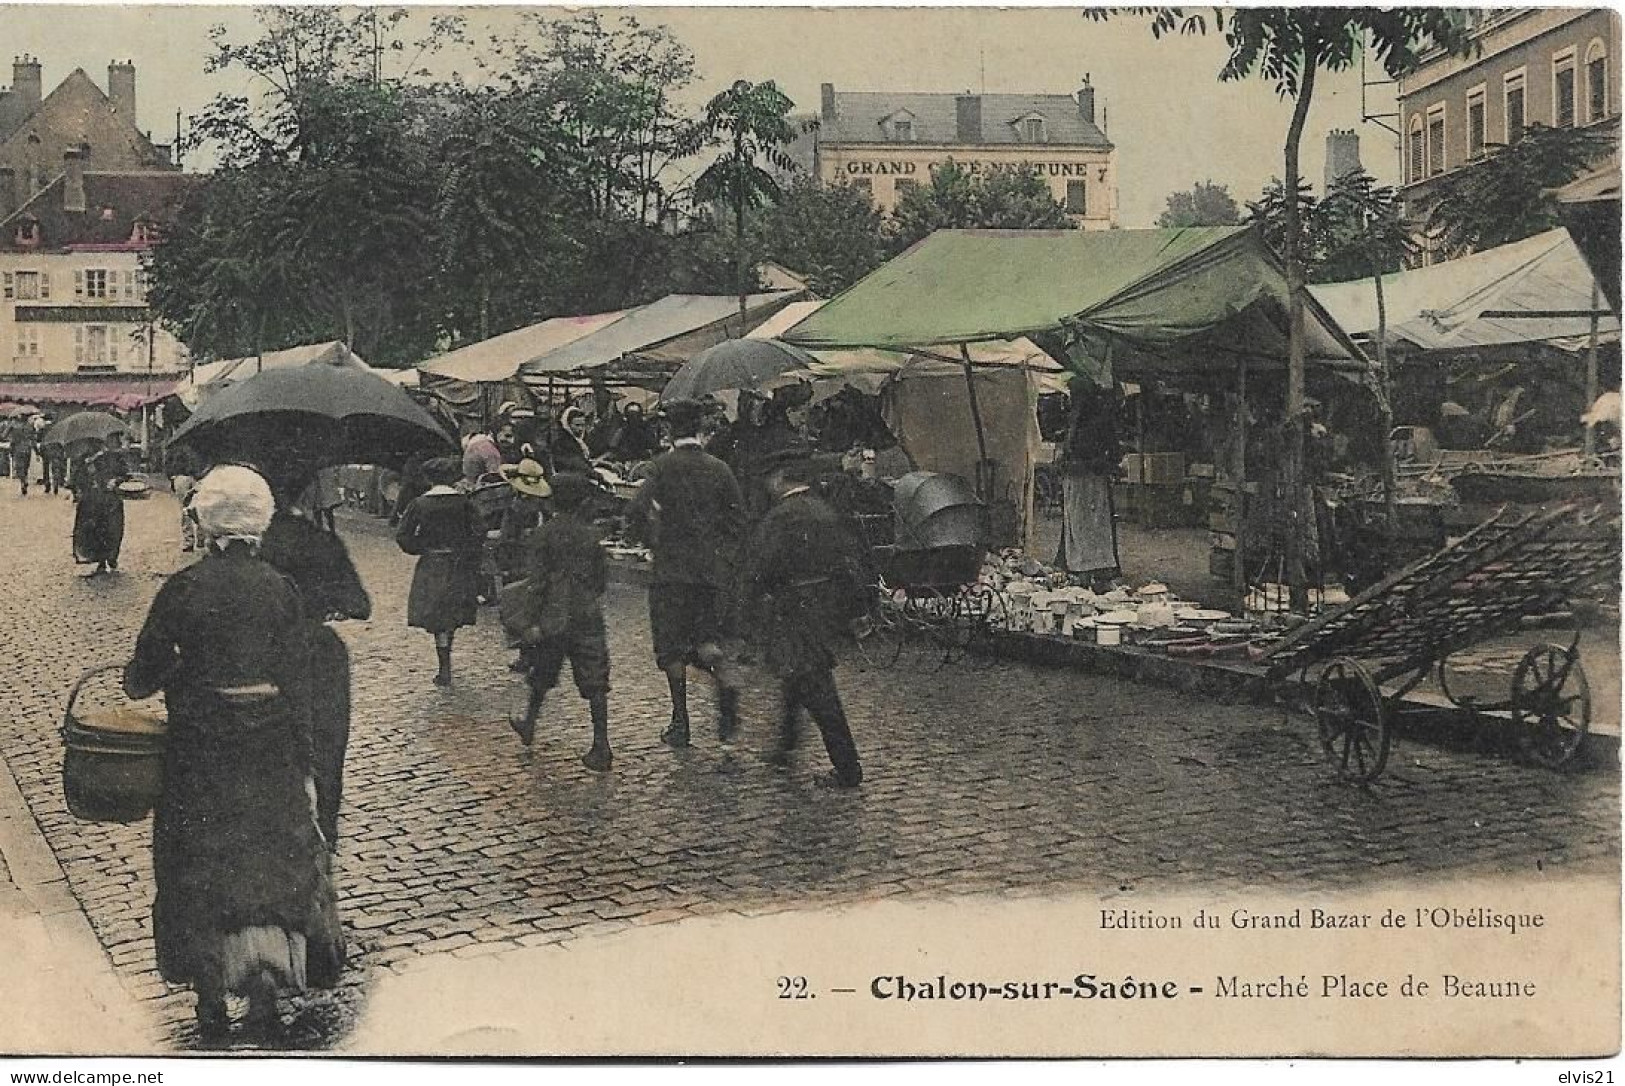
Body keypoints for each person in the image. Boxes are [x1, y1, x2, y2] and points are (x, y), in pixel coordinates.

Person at [123, 465, 343, 1040]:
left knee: (198, 864)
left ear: (205, 521)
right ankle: (268, 982)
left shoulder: (185, 588)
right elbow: (299, 682)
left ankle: (208, 994)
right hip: (270, 754)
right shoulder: (281, 589)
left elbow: (140, 678)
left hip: (200, 755)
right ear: (260, 524)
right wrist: (307, 762)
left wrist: (171, 672)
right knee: (270, 861)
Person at [739, 449, 869, 788]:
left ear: (781, 478)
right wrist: (853, 609)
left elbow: (759, 568)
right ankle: (785, 746)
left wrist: (747, 606)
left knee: (815, 685)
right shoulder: (824, 511)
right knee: (796, 675)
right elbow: (850, 561)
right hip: (824, 606)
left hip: (792, 608)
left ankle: (847, 769)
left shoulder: (781, 517)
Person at [625, 399, 744, 748]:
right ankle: (726, 683)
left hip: (670, 573)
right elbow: (738, 520)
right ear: (700, 429)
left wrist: (650, 538)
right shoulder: (720, 468)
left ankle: (681, 723)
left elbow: (635, 511)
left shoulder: (660, 467)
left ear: (668, 430)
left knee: (672, 649)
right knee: (707, 640)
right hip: (708, 573)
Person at [260, 482, 372, 849]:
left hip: (267, 652)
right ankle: (328, 823)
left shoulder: (258, 546)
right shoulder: (323, 542)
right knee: (329, 740)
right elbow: (359, 603)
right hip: (319, 650)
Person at [506, 473, 614, 771]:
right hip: (586, 614)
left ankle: (529, 724)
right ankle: (601, 744)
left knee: (542, 672)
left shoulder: (544, 534)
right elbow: (601, 579)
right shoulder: (591, 535)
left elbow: (536, 583)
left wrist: (529, 621)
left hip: (551, 618)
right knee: (595, 680)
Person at [395, 457, 484, 687]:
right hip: (458, 563)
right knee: (450, 613)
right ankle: (446, 662)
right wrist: (466, 550)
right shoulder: (464, 503)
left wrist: (422, 548)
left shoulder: (419, 504)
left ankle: (444, 667)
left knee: (438, 616)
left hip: (433, 563)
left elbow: (403, 536)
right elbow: (479, 531)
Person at [71, 444, 126, 575]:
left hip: (111, 500)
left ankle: (112, 556)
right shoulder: (83, 460)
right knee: (96, 531)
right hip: (91, 502)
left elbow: (125, 473)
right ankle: (101, 559)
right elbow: (75, 480)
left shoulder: (114, 457)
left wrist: (115, 481)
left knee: (113, 529)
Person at [12, 415, 37, 496]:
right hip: (27, 449)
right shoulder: (30, 427)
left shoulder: (15, 426)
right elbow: (33, 440)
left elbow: (10, 439)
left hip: (18, 449)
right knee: (26, 467)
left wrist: (11, 450)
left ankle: (23, 481)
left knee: (20, 468)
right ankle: (24, 481)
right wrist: (37, 451)